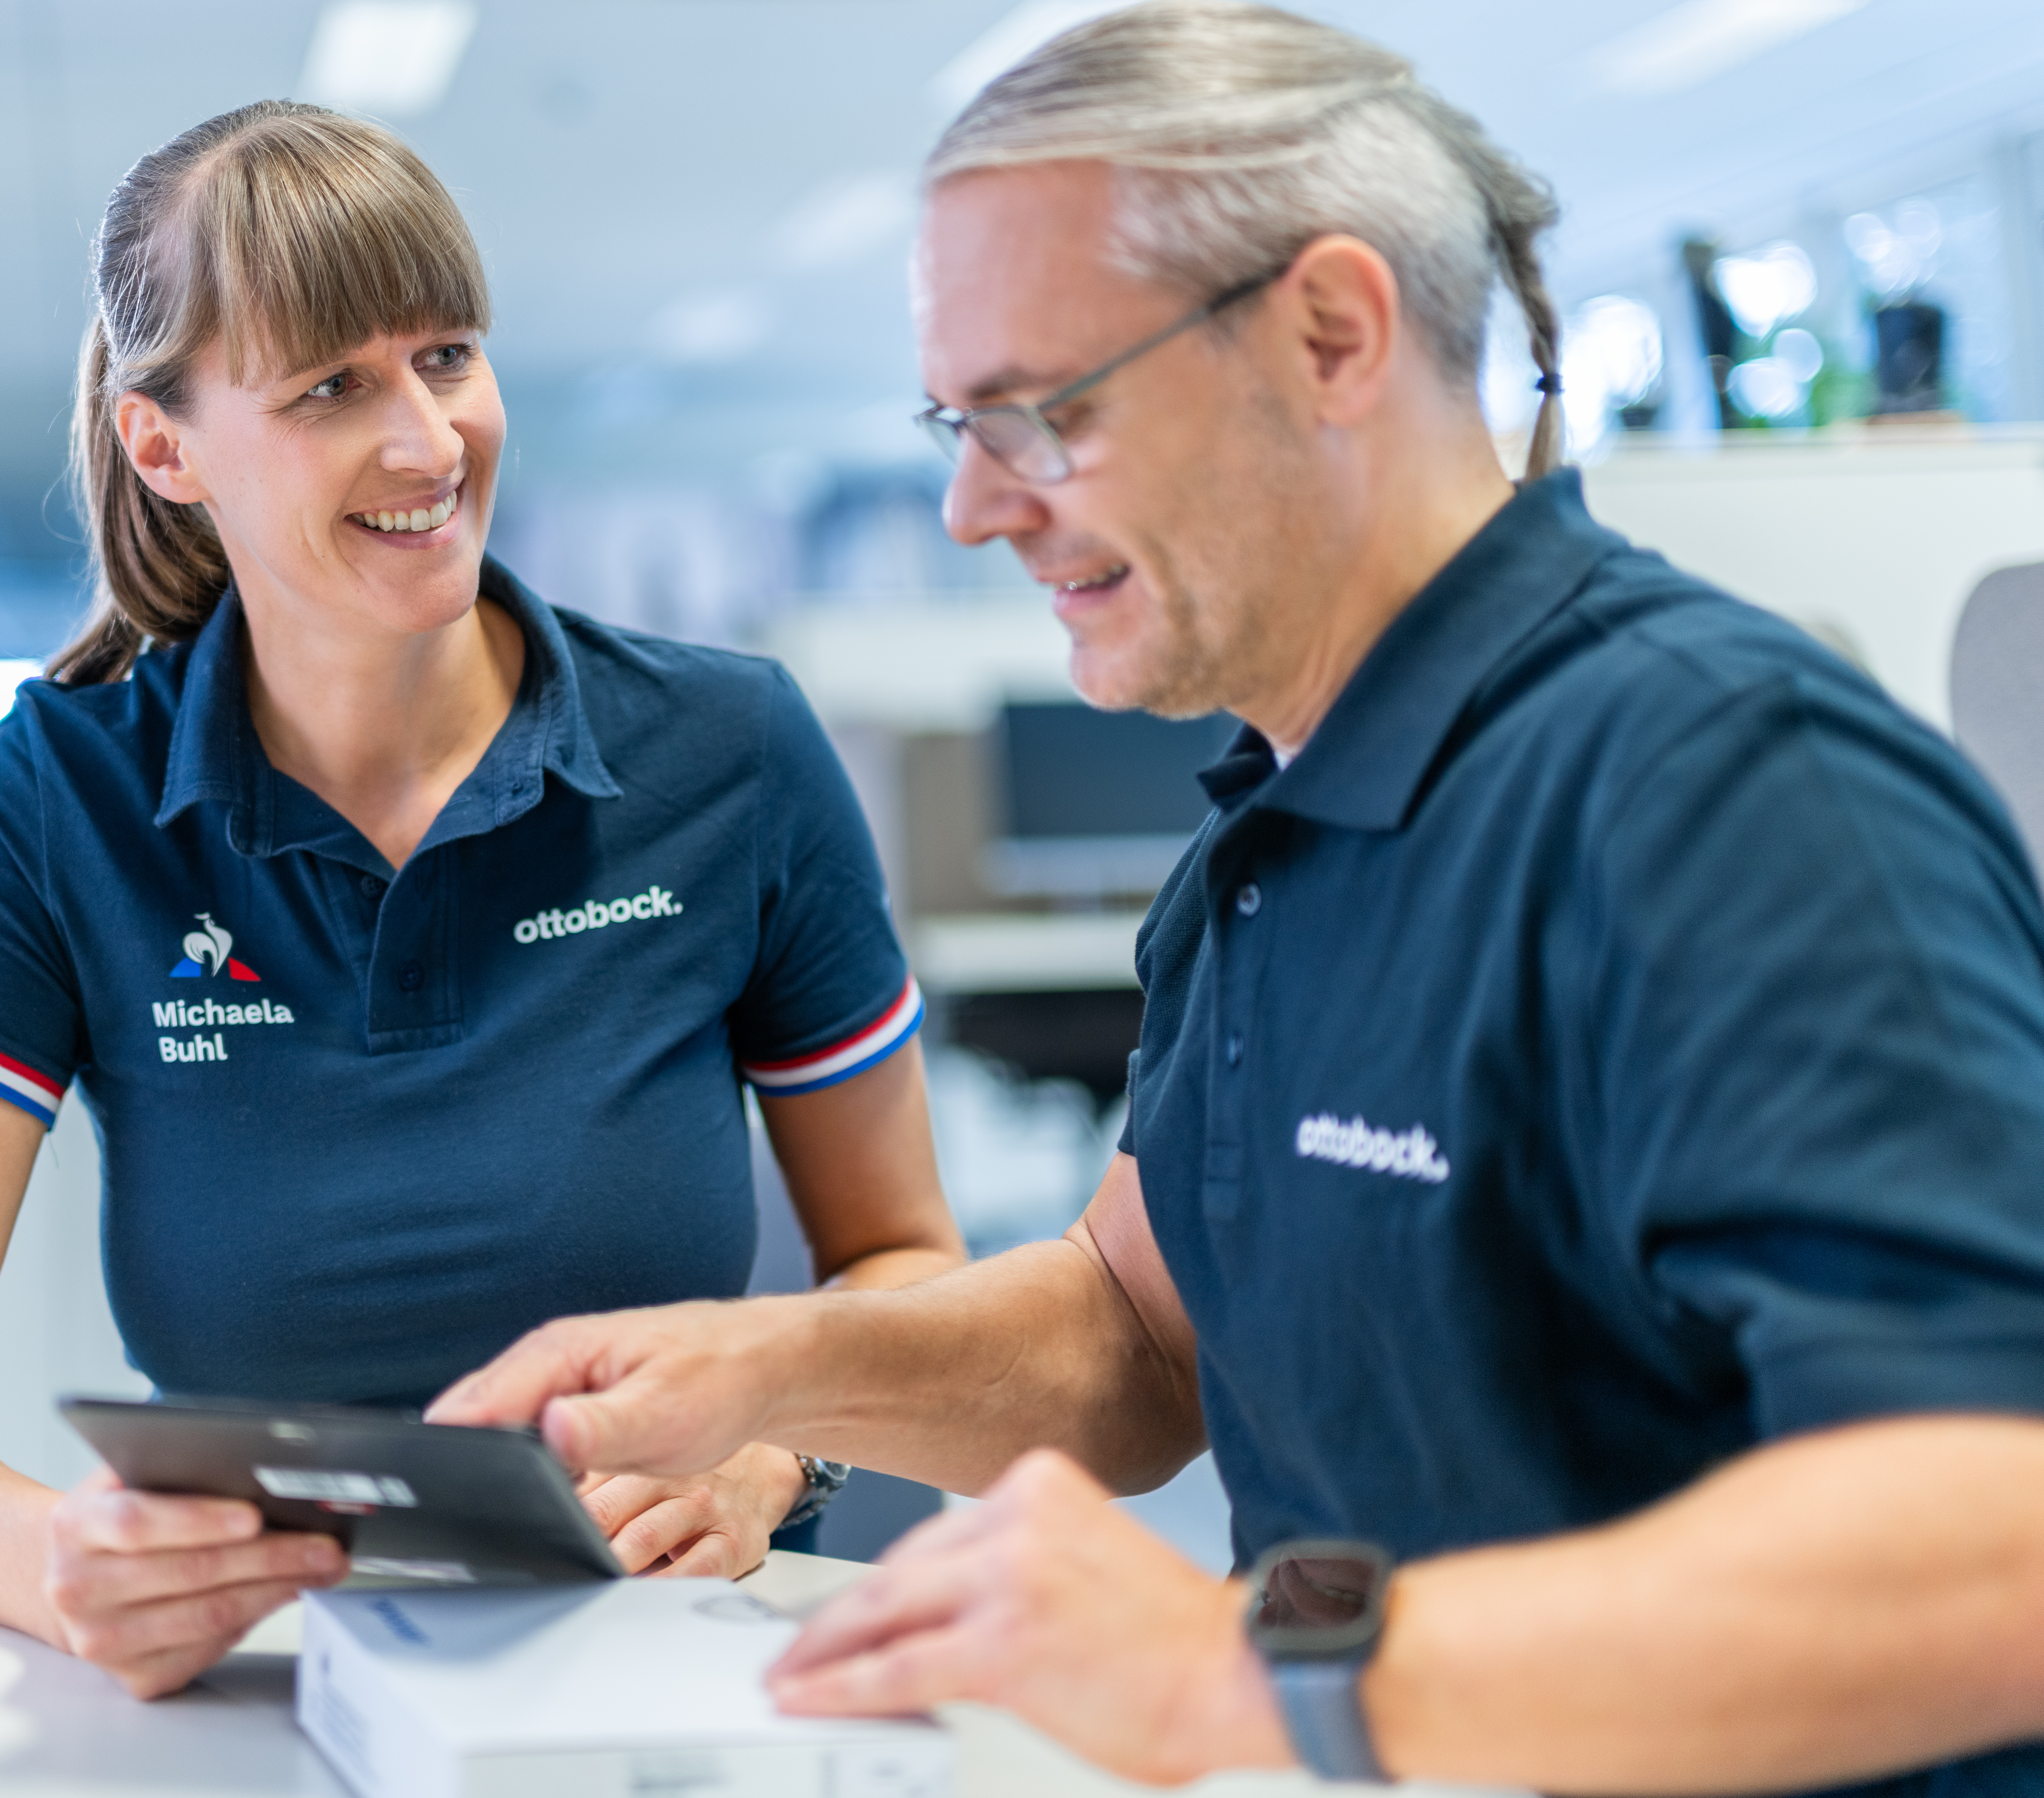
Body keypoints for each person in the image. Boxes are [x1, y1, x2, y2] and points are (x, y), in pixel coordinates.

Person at [430, 8, 2044, 1793]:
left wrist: (1253, 1671)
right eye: (956, 422)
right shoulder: (1271, 836)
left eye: (1040, 413)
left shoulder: (1721, 789)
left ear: (1332, 334)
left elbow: (2001, 1537)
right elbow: (1138, 1335)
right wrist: (765, 1367)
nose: (971, 507)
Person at [0, 101, 964, 1702]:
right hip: (270, 1678)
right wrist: (60, 1561)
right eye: (331, 387)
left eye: (447, 356)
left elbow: (907, 1256)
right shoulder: (64, 798)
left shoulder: (727, 752)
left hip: (678, 1660)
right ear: (165, 447)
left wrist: (767, 1450)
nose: (428, 442)